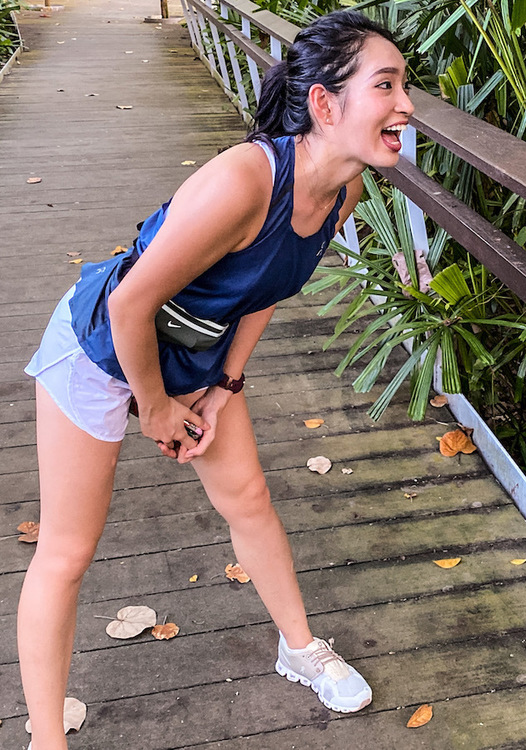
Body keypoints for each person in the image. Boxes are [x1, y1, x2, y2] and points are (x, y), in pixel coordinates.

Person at [18, 10, 413, 748]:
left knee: (251, 499)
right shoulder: (243, 181)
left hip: (193, 358)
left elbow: (264, 289)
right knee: (68, 551)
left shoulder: (343, 193)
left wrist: (225, 386)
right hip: (101, 351)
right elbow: (132, 302)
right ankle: (47, 738)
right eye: (385, 86)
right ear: (325, 105)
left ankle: (299, 650)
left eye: (404, 85)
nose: (406, 105)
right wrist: (157, 408)